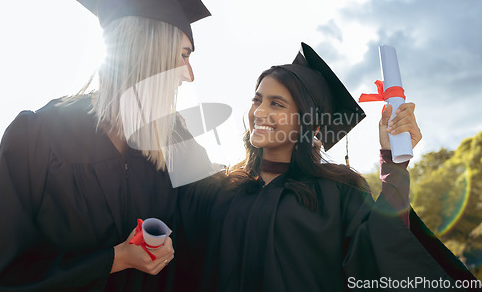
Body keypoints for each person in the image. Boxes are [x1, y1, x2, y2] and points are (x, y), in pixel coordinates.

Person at [0, 0, 211, 291]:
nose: (188, 75)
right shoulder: (36, 137)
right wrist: (115, 259)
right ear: (149, 52)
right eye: (182, 55)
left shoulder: (174, 137)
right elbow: (4, 271)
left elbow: (220, 210)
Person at [178, 42, 480, 291]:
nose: (259, 112)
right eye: (257, 100)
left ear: (310, 124)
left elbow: (383, 251)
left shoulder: (338, 194)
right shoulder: (222, 188)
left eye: (277, 104)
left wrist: (393, 162)